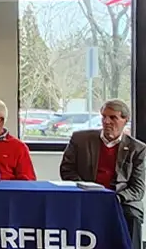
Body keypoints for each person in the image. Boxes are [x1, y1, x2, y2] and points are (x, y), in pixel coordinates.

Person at [59, 100, 145, 246]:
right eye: (104, 117)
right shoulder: (80, 140)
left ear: (125, 120)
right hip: (86, 196)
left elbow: (137, 188)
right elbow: (66, 170)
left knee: (133, 217)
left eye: (113, 118)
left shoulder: (137, 149)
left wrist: (115, 198)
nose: (106, 122)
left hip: (120, 201)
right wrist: (86, 189)